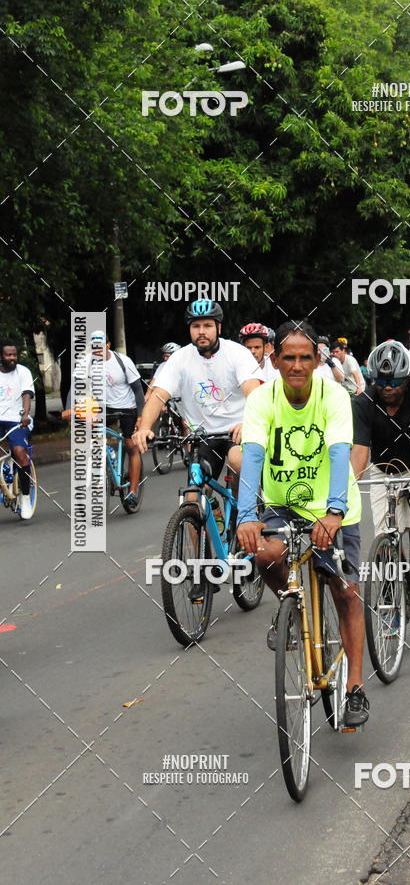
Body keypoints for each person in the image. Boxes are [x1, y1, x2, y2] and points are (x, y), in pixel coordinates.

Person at [235, 320, 369, 727]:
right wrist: (245, 516)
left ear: (317, 360)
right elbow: (253, 457)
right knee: (263, 554)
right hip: (282, 503)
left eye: (304, 357)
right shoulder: (262, 400)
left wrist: (333, 513)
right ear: (274, 360)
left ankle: (356, 689)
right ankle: (291, 606)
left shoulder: (333, 395)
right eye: (288, 357)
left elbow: (339, 453)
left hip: (333, 505)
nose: (296, 365)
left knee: (344, 591)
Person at [134, 300, 262, 479]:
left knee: (236, 461)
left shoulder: (237, 353)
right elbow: (158, 395)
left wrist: (248, 422)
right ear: (189, 329)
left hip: (237, 431)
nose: (201, 331)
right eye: (196, 326)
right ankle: (212, 507)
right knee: (195, 495)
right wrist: (145, 428)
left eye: (208, 325)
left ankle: (245, 506)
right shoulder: (179, 358)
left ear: (219, 328)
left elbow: (255, 393)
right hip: (202, 436)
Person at [351, 341, 410, 563]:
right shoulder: (363, 404)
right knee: (385, 536)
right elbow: (359, 451)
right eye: (381, 381)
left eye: (394, 381)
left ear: (406, 379)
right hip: (383, 468)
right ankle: (399, 576)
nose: (387, 387)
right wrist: (346, 490)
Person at [64, 331, 145, 508]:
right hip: (102, 407)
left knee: (131, 446)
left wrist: (140, 416)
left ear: (108, 345)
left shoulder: (123, 361)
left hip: (127, 407)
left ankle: (132, 491)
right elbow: (74, 387)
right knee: (92, 434)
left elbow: (138, 389)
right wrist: (69, 407)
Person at [0, 340, 35, 519]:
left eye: (14, 354)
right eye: (8, 355)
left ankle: (26, 498)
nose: (12, 358)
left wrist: (25, 414)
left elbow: (26, 395)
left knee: (20, 452)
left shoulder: (23, 372)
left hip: (17, 420)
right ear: (1, 356)